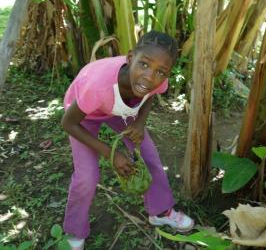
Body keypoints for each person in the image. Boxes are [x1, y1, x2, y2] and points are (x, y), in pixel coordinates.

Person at [61, 31, 194, 250]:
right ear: (130, 57)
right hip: (84, 113)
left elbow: (150, 95)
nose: (150, 77)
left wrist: (140, 122)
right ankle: (74, 230)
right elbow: (68, 123)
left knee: (149, 156)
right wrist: (111, 154)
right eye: (143, 64)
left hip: (121, 109)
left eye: (160, 71)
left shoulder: (157, 81)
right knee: (87, 176)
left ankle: (160, 211)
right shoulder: (98, 85)